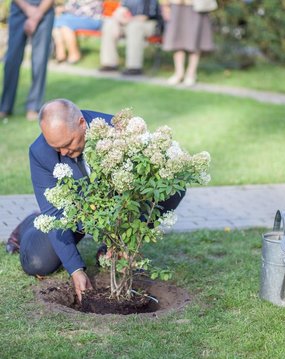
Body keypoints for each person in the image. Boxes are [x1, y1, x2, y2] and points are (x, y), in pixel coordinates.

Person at [6, 99, 185, 301]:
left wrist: (126, 239)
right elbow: (54, 213)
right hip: (71, 212)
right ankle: (30, 224)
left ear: (82, 123)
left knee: (171, 190)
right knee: (38, 263)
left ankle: (110, 248)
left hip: (115, 212)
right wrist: (75, 269)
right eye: (57, 149)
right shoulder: (40, 153)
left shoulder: (120, 134)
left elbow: (171, 187)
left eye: (67, 144)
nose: (63, 153)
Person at [0, 0, 55, 121]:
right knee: (11, 61)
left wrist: (37, 15)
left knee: (39, 62)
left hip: (44, 10)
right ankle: (5, 106)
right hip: (19, 8)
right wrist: (27, 8)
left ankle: (34, 107)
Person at [160, 0, 214, 87]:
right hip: (176, 5)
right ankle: (179, 73)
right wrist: (165, 4)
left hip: (196, 6)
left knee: (195, 40)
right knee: (176, 39)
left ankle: (191, 73)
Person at [99, 0, 161, 75]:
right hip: (129, 22)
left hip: (147, 24)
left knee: (134, 27)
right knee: (109, 24)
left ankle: (134, 67)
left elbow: (144, 17)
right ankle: (109, 64)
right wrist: (116, 23)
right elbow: (120, 11)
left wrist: (127, 21)